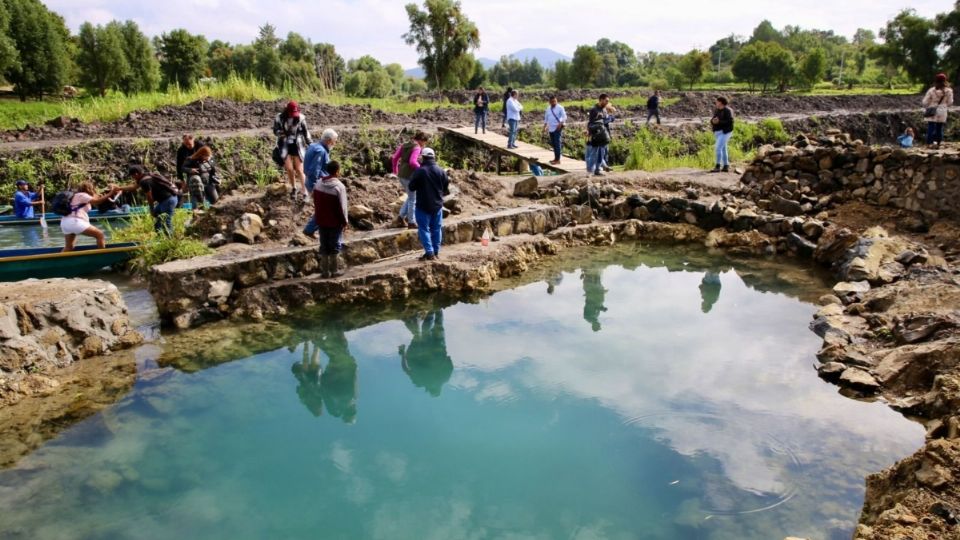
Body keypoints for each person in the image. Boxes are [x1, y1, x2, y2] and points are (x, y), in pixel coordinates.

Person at [407, 147, 449, 261]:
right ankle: (435, 252)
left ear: (423, 157)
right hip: (437, 206)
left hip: (423, 205)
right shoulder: (441, 171)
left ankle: (429, 253)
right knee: (436, 229)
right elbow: (445, 189)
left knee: (424, 229)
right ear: (433, 157)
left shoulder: (420, 171)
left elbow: (411, 187)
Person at [399, 310, 453, 397]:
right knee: (424, 333)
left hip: (438, 351)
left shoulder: (445, 378)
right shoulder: (420, 381)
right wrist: (403, 354)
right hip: (421, 354)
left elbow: (449, 361)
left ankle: (436, 307)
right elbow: (406, 369)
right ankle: (430, 310)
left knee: (438, 326)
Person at [60, 181, 120, 252]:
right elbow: (98, 201)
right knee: (100, 235)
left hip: (65, 222)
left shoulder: (75, 196)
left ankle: (56, 262)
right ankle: (102, 257)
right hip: (75, 222)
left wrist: (112, 192)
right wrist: (111, 193)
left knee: (69, 247)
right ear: (88, 188)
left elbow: (98, 197)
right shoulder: (82, 195)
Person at [312, 160, 348, 278]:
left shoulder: (318, 184)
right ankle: (334, 270)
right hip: (335, 222)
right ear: (337, 171)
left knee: (324, 244)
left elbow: (315, 201)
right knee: (335, 244)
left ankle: (325, 271)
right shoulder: (339, 187)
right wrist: (345, 222)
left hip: (321, 220)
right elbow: (342, 207)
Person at [119, 165, 180, 233]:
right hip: (166, 200)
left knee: (166, 222)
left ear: (136, 174)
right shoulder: (146, 176)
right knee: (157, 221)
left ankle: (170, 240)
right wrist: (119, 188)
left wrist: (151, 209)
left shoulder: (144, 182)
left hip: (168, 200)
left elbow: (149, 197)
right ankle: (160, 237)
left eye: (132, 176)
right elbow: (133, 187)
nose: (132, 178)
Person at [302, 128, 339, 237]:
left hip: (314, 183)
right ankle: (309, 230)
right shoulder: (321, 151)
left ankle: (313, 229)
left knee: (324, 208)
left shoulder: (313, 146)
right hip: (318, 184)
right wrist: (315, 188)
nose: (335, 144)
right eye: (334, 141)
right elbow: (314, 172)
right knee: (325, 208)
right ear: (329, 140)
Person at [273, 100, 312, 199]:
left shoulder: (301, 118)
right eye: (291, 113)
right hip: (284, 144)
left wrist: (311, 144)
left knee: (299, 169)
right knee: (290, 169)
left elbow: (306, 133)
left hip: (297, 145)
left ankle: (305, 192)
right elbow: (275, 130)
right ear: (287, 111)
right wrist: (282, 133)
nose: (293, 115)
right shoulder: (279, 118)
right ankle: (294, 188)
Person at [391, 131, 429, 229]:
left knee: (411, 196)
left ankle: (400, 217)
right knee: (413, 199)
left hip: (402, 175)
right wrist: (422, 169)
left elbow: (395, 158)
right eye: (424, 142)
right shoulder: (417, 147)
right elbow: (413, 162)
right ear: (421, 140)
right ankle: (411, 222)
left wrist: (395, 170)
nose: (424, 145)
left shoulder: (404, 145)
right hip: (409, 176)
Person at [181, 146, 220, 215]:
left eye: (209, 156)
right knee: (198, 199)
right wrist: (190, 170)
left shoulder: (210, 160)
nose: (208, 157)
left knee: (216, 200)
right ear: (201, 154)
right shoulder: (191, 159)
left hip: (209, 182)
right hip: (196, 184)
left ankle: (214, 214)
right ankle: (196, 213)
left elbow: (215, 170)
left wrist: (217, 178)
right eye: (206, 156)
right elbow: (183, 168)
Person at [922, 73, 954, 147]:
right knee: (939, 128)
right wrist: (944, 105)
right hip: (942, 111)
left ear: (936, 80)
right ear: (945, 80)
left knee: (931, 126)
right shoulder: (949, 91)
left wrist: (928, 106)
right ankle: (938, 143)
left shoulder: (931, 90)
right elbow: (950, 102)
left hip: (932, 109)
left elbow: (925, 102)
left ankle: (929, 143)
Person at [586, 94, 611, 176]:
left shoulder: (604, 110)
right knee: (594, 152)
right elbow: (590, 122)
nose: (607, 102)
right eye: (606, 101)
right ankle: (590, 171)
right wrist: (589, 132)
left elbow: (605, 121)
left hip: (603, 134)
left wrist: (610, 118)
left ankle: (597, 170)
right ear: (601, 100)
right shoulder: (594, 110)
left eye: (608, 101)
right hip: (595, 134)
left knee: (602, 153)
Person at [710, 96, 734, 173]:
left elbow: (730, 122)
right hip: (718, 132)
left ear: (720, 102)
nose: (716, 102)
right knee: (723, 149)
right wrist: (713, 121)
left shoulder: (728, 110)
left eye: (717, 101)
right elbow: (713, 119)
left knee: (718, 148)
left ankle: (717, 166)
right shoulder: (717, 110)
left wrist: (719, 121)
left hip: (725, 132)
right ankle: (726, 166)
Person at [542, 95, 567, 165]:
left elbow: (564, 116)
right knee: (553, 144)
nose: (554, 103)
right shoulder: (548, 108)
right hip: (551, 128)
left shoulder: (560, 107)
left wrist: (560, 123)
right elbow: (546, 118)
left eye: (555, 101)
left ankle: (558, 160)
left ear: (556, 101)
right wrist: (544, 127)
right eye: (552, 102)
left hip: (557, 128)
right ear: (549, 102)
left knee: (557, 143)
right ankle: (555, 158)